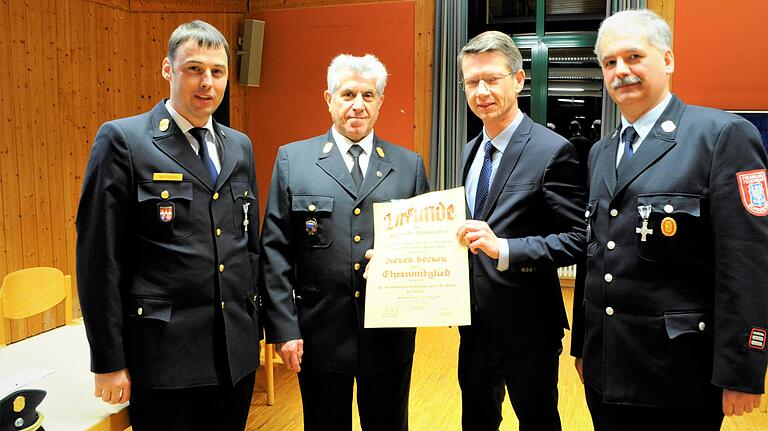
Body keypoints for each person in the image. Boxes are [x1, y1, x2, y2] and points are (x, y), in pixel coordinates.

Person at [571, 9, 768, 430]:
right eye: (609, 62)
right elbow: (596, 253)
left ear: (668, 59)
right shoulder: (601, 152)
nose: (621, 71)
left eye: (633, 57)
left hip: (678, 374)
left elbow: (746, 260)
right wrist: (581, 347)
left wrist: (742, 369)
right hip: (606, 365)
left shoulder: (720, 136)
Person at [76, 20, 261, 430]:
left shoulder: (239, 146)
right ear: (167, 70)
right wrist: (108, 361)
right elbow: (98, 260)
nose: (207, 83)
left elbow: (248, 247)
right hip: (163, 359)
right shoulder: (124, 140)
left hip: (234, 355)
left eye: (217, 71)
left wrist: (258, 331)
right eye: (194, 68)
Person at [259, 54, 429, 430]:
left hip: (388, 337)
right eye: (348, 93)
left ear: (381, 101)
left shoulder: (408, 165)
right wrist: (284, 329)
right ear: (328, 98)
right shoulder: (294, 160)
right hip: (320, 335)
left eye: (368, 95)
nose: (358, 105)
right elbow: (275, 251)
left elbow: (425, 246)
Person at [455, 31, 586, 430]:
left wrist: (506, 249)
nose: (481, 90)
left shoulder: (552, 150)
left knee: (538, 420)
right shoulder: (470, 149)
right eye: (472, 81)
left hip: (528, 326)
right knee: (477, 420)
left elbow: (579, 238)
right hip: (473, 324)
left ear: (518, 80)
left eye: (492, 79)